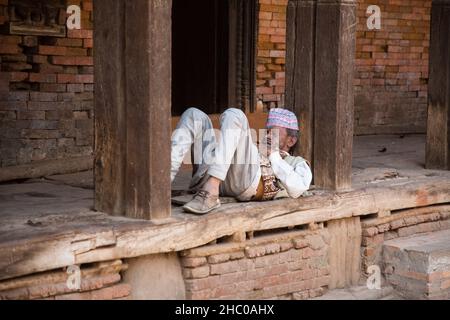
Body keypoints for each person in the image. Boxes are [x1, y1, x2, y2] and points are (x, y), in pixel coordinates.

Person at [171, 107, 312, 215]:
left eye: (274, 132)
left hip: (245, 184)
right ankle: (163, 184)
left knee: (235, 114)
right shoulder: (253, 150)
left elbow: (298, 188)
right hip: (215, 178)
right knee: (193, 114)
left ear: (291, 140)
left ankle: (211, 191)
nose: (268, 135)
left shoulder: (296, 162)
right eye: (267, 131)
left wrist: (274, 156)